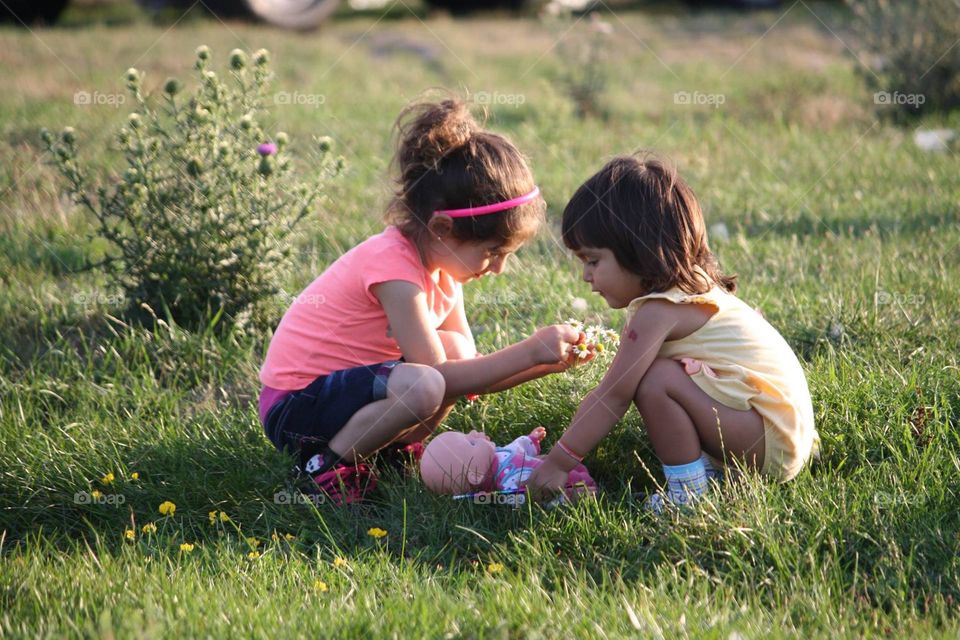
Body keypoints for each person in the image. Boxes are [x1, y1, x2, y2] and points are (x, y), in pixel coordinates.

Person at [258, 99, 582, 503]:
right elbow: (438, 377)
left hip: (346, 398)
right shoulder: (393, 267)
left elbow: (464, 375)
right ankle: (325, 468)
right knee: (426, 381)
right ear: (443, 227)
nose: (498, 268)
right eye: (492, 251)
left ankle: (386, 451)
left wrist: (544, 364)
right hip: (296, 407)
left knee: (455, 349)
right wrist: (530, 350)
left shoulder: (442, 270)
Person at [524, 155, 817, 511]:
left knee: (656, 380)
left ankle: (688, 495)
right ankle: (711, 473)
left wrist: (558, 463)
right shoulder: (692, 293)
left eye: (593, 261)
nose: (586, 276)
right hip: (782, 437)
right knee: (659, 376)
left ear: (639, 251)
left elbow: (612, 396)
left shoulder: (658, 311)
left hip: (770, 444)